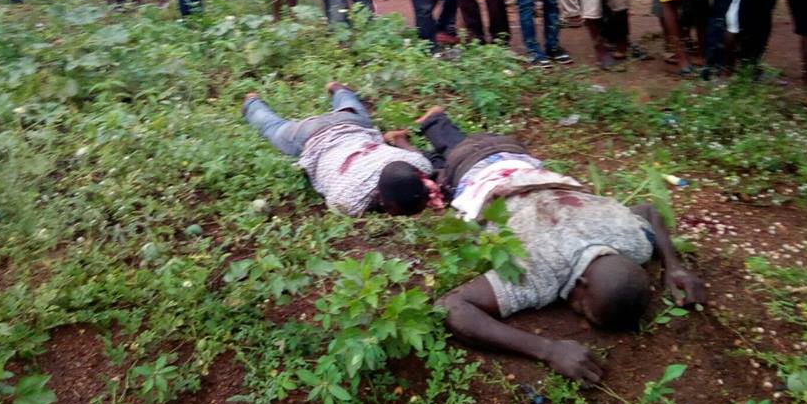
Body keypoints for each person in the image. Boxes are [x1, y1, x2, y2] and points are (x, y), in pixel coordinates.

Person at [392, 107, 704, 383]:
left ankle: (431, 125)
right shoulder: (543, 270)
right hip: (469, 168)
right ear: (581, 285)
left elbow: (648, 212)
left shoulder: (631, 239)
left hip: (513, 153)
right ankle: (415, 137)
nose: (574, 310)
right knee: (436, 173)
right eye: (583, 308)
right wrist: (546, 349)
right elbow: (452, 307)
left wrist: (674, 266)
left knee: (453, 151)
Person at [242, 82, 439, 217]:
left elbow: (416, 160)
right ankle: (251, 104)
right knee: (272, 127)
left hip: (350, 124)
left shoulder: (419, 164)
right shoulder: (349, 201)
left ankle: (338, 90)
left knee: (349, 107)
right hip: (311, 138)